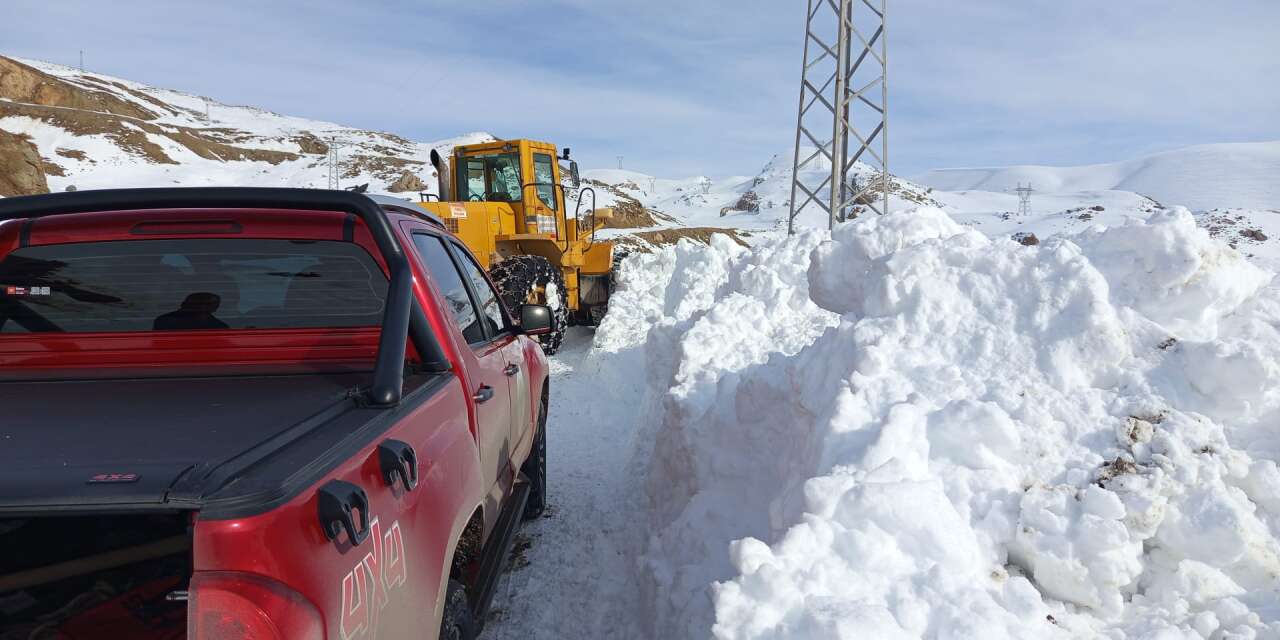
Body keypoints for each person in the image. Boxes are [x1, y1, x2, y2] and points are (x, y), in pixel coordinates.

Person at [153, 292, 229, 330]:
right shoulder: (219, 326)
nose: (202, 307)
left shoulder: (219, 327)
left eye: (207, 305)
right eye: (198, 303)